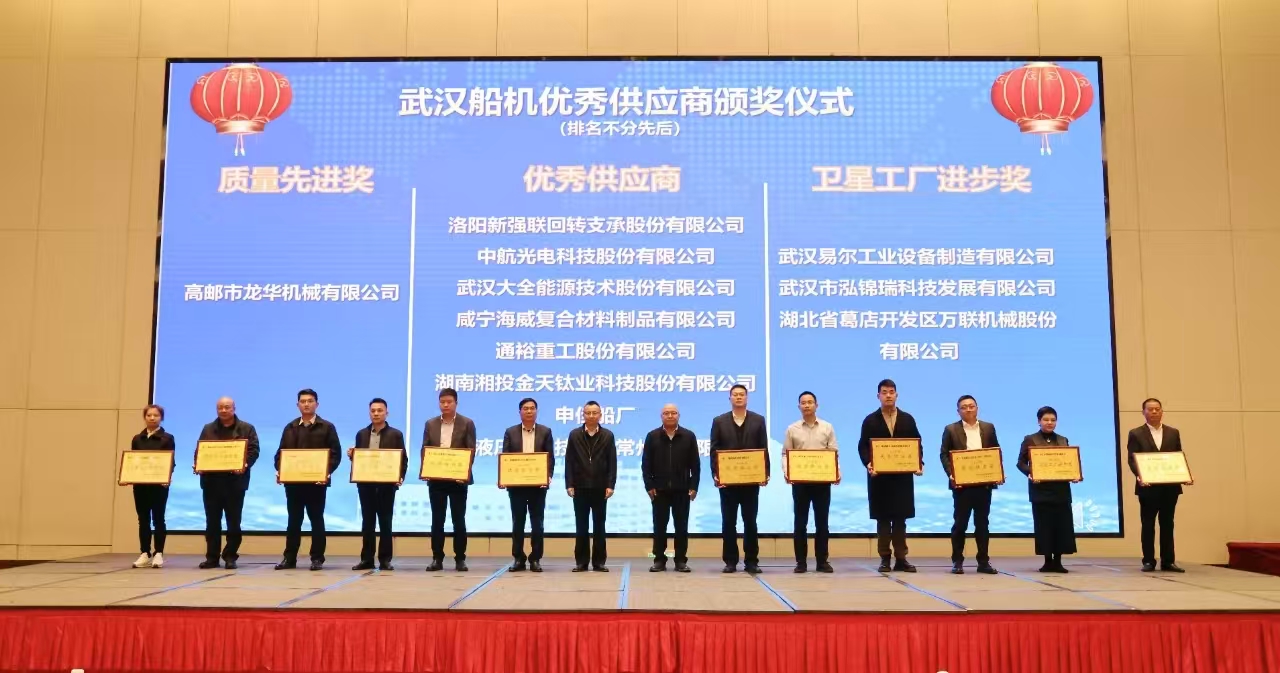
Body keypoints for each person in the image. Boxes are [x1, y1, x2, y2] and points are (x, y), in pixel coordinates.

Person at [857, 379, 923, 573]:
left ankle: (901, 558)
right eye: (884, 392)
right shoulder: (870, 420)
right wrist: (868, 463)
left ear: (896, 395)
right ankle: (885, 559)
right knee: (883, 520)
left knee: (901, 520)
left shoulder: (907, 419)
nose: (888, 395)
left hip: (902, 478)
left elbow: (917, 444)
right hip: (879, 479)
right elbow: (862, 446)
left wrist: (919, 463)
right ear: (878, 396)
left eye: (891, 392)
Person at [273, 388, 342, 571]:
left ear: (317, 404)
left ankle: (317, 558)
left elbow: (335, 454)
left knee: (316, 520)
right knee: (293, 521)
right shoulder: (290, 427)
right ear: (298, 405)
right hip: (293, 484)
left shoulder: (327, 427)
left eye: (310, 401)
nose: (306, 404)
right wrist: (280, 470)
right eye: (303, 401)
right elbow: (280, 455)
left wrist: (326, 472)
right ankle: (289, 558)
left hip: (316, 484)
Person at [710, 384, 770, 574]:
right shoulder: (719, 421)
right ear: (730, 398)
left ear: (747, 398)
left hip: (751, 481)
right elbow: (714, 450)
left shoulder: (758, 420)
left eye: (741, 394)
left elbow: (763, 447)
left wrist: (765, 472)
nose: (738, 397)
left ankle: (751, 561)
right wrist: (716, 474)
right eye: (735, 394)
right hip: (727, 482)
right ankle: (730, 561)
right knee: (728, 522)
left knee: (750, 522)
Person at [940, 394, 1001, 575]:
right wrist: (952, 474)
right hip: (962, 486)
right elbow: (944, 454)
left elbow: (995, 451)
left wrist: (998, 473)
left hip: (984, 484)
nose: (968, 409)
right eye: (964, 407)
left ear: (977, 408)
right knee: (960, 524)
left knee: (982, 524)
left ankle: (983, 562)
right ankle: (957, 561)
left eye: (971, 406)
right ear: (958, 411)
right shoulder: (951, 429)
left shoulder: (988, 428)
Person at [197, 397, 259, 570]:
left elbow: (254, 450)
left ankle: (230, 556)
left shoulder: (246, 428)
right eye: (220, 407)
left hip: (235, 483)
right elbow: (200, 450)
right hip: (211, 483)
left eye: (227, 407)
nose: (223, 410)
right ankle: (212, 558)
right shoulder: (208, 428)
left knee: (233, 522)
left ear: (234, 408)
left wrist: (244, 465)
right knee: (212, 523)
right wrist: (198, 464)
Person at [1127, 398, 1186, 573]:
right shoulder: (1136, 433)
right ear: (1143, 412)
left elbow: (1177, 457)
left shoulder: (1173, 432)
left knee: (1168, 524)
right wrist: (1140, 475)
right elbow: (1132, 459)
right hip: (1147, 487)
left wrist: (1184, 475)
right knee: (1148, 524)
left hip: (1170, 487)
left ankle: (1168, 561)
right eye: (1150, 409)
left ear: (1162, 411)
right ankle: (1148, 561)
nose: (1154, 412)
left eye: (1157, 409)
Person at [1016, 406, 1077, 573]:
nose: (1049, 423)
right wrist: (1030, 473)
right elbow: (1020, 463)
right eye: (1046, 419)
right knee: (1044, 526)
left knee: (1061, 526)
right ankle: (1047, 561)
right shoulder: (1030, 439)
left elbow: (1069, 463)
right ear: (1039, 421)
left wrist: (1074, 474)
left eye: (1053, 420)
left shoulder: (1063, 440)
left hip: (1061, 490)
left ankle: (1058, 561)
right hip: (1040, 490)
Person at [421, 388, 477, 572]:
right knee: (437, 520)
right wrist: (426, 469)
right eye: (442, 402)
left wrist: (463, 473)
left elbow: (471, 450)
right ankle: (437, 558)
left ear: (456, 403)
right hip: (436, 480)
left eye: (449, 402)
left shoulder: (467, 423)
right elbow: (425, 449)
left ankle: (460, 558)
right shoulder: (430, 424)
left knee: (458, 520)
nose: (445, 405)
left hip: (458, 480)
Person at [782, 391, 838, 574]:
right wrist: (787, 471)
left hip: (822, 482)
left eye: (810, 402)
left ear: (816, 405)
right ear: (799, 406)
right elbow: (785, 454)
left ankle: (822, 561)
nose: (807, 405)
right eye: (803, 403)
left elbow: (833, 453)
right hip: (800, 483)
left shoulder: (827, 427)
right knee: (800, 523)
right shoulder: (792, 429)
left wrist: (836, 472)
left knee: (822, 523)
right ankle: (801, 562)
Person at [350, 398, 407, 571]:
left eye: (380, 410)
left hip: (386, 485)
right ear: (369, 413)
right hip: (365, 485)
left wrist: (399, 477)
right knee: (367, 523)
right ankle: (367, 559)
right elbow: (360, 460)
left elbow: (402, 459)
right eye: (373, 410)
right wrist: (353, 456)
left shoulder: (395, 434)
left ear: (386, 413)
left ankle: (385, 560)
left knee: (385, 522)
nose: (376, 413)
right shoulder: (361, 434)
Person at [642, 404, 700, 573]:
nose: (670, 416)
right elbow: (646, 464)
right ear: (661, 416)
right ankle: (659, 560)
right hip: (659, 490)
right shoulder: (652, 436)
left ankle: (680, 560)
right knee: (659, 527)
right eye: (666, 413)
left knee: (681, 527)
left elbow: (695, 465)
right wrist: (649, 485)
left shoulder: (688, 436)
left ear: (678, 415)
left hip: (682, 490)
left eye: (673, 413)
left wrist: (694, 486)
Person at [501, 397, 553, 572]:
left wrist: (548, 476)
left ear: (536, 411)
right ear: (520, 412)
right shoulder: (510, 432)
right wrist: (503, 478)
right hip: (516, 487)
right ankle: (518, 558)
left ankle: (535, 558)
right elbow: (506, 457)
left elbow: (550, 457)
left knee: (537, 524)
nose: (529, 411)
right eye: (525, 408)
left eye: (532, 408)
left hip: (538, 486)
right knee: (518, 523)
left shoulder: (545, 431)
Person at [564, 401, 617, 572]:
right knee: (581, 526)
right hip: (579, 487)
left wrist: (611, 485)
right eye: (588, 413)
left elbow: (612, 462)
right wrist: (569, 483)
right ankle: (581, 562)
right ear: (583, 414)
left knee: (599, 526)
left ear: (600, 415)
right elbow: (569, 461)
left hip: (601, 488)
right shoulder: (574, 435)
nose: (591, 416)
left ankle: (599, 562)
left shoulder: (608, 435)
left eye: (595, 413)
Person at [130, 404, 175, 569]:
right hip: (141, 485)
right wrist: (128, 475)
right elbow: (133, 461)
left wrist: (167, 476)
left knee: (158, 519)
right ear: (144, 417)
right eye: (149, 415)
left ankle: (158, 553)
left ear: (161, 418)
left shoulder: (167, 438)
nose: (152, 418)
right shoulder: (137, 439)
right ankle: (145, 553)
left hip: (159, 486)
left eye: (156, 415)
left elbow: (170, 461)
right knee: (143, 519)